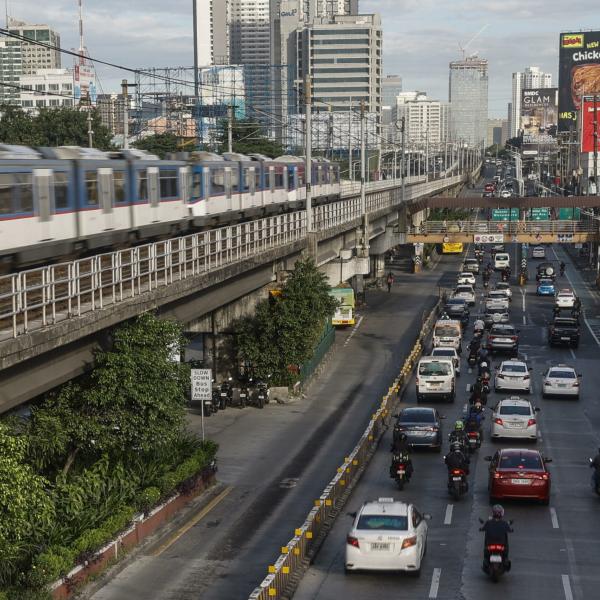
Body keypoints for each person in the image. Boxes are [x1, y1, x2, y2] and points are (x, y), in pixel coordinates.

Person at [479, 505, 513, 570]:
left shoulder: (489, 522)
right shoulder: (504, 523)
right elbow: (509, 530)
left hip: (490, 545)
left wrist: (481, 529)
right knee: (506, 549)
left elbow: (483, 528)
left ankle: (486, 560)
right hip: (501, 545)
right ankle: (505, 558)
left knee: (486, 550)